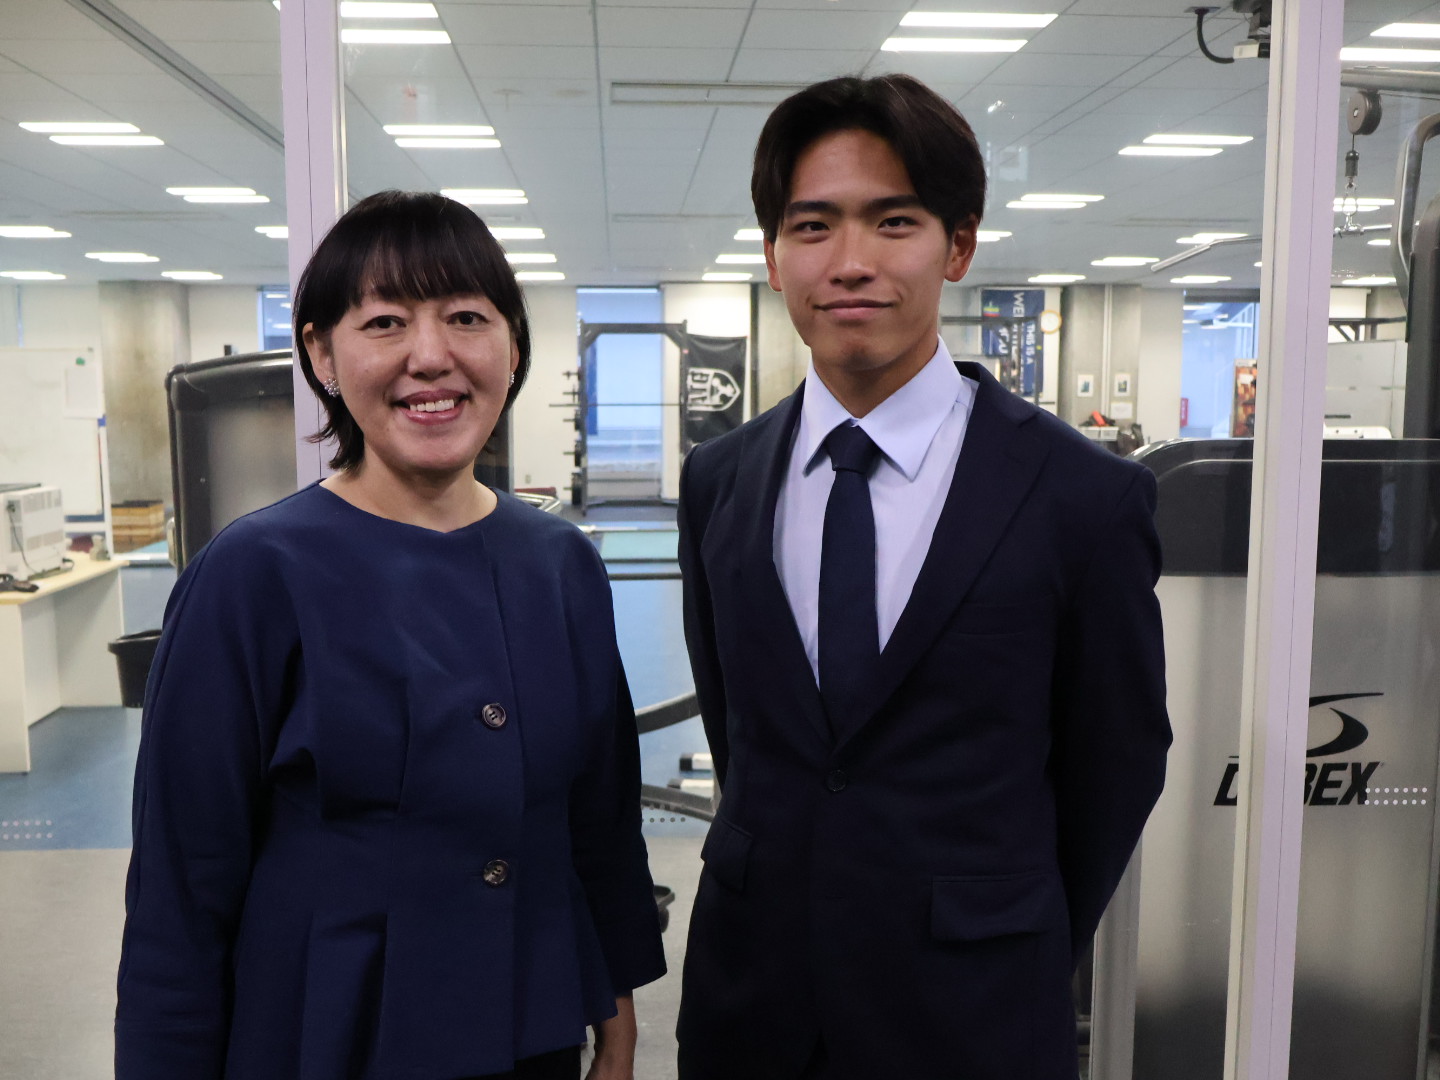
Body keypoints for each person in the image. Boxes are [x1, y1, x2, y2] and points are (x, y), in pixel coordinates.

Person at [675, 75, 1170, 1079]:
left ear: (958, 246)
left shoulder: (1082, 496)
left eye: (893, 221)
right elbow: (743, 737)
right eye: (812, 225)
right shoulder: (720, 481)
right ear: (773, 256)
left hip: (975, 1013)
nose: (850, 261)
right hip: (753, 1005)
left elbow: (1116, 761)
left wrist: (1013, 929)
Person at [115, 190, 666, 1080]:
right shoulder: (253, 574)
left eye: (466, 317)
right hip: (327, 1035)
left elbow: (597, 823)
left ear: (513, 347)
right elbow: (183, 885)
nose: (431, 356)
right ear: (321, 354)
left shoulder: (560, 563)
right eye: (384, 323)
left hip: (529, 1023)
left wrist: (617, 999)